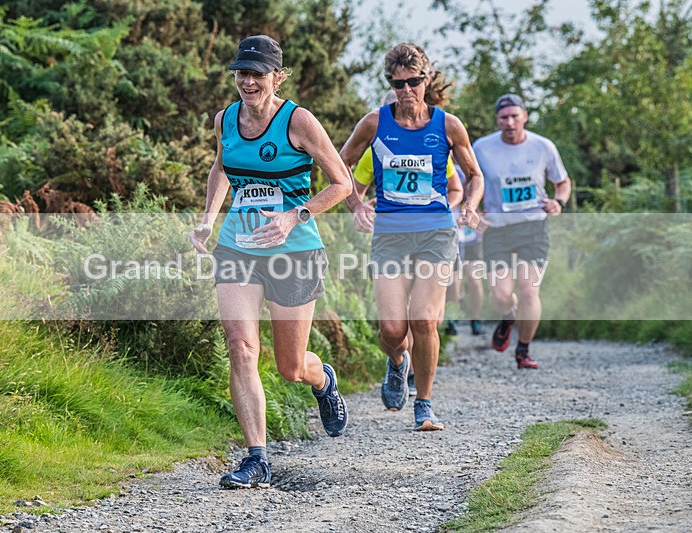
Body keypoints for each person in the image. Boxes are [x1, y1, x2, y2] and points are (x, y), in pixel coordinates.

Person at [188, 35, 353, 489]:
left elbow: (342, 184)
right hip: (239, 247)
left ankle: (322, 379)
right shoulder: (225, 118)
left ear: (277, 77)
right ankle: (256, 458)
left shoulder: (297, 120)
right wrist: (207, 220)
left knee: (290, 366)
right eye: (242, 73)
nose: (248, 81)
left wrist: (293, 216)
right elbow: (222, 167)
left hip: (295, 250)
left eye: (258, 74)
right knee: (241, 348)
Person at [341, 43, 483, 431]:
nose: (406, 91)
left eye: (413, 82)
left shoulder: (448, 125)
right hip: (389, 234)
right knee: (392, 330)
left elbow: (475, 175)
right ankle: (397, 362)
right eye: (397, 83)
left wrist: (469, 205)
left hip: (436, 233)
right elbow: (342, 166)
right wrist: (357, 204)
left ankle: (424, 403)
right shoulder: (374, 123)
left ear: (426, 80)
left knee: (423, 320)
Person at [473, 93, 571, 369]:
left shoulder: (543, 146)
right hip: (497, 229)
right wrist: (473, 209)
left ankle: (523, 350)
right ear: (497, 120)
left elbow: (562, 182)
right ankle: (509, 316)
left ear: (525, 117)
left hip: (533, 227)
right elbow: (468, 180)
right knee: (501, 294)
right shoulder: (482, 148)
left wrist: (558, 201)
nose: (510, 122)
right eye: (504, 117)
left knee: (529, 290)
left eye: (515, 116)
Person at [446, 163, 486, 337]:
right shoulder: (444, 165)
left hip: (472, 238)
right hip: (453, 236)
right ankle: (452, 319)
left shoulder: (475, 169)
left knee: (475, 281)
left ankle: (475, 319)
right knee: (455, 282)